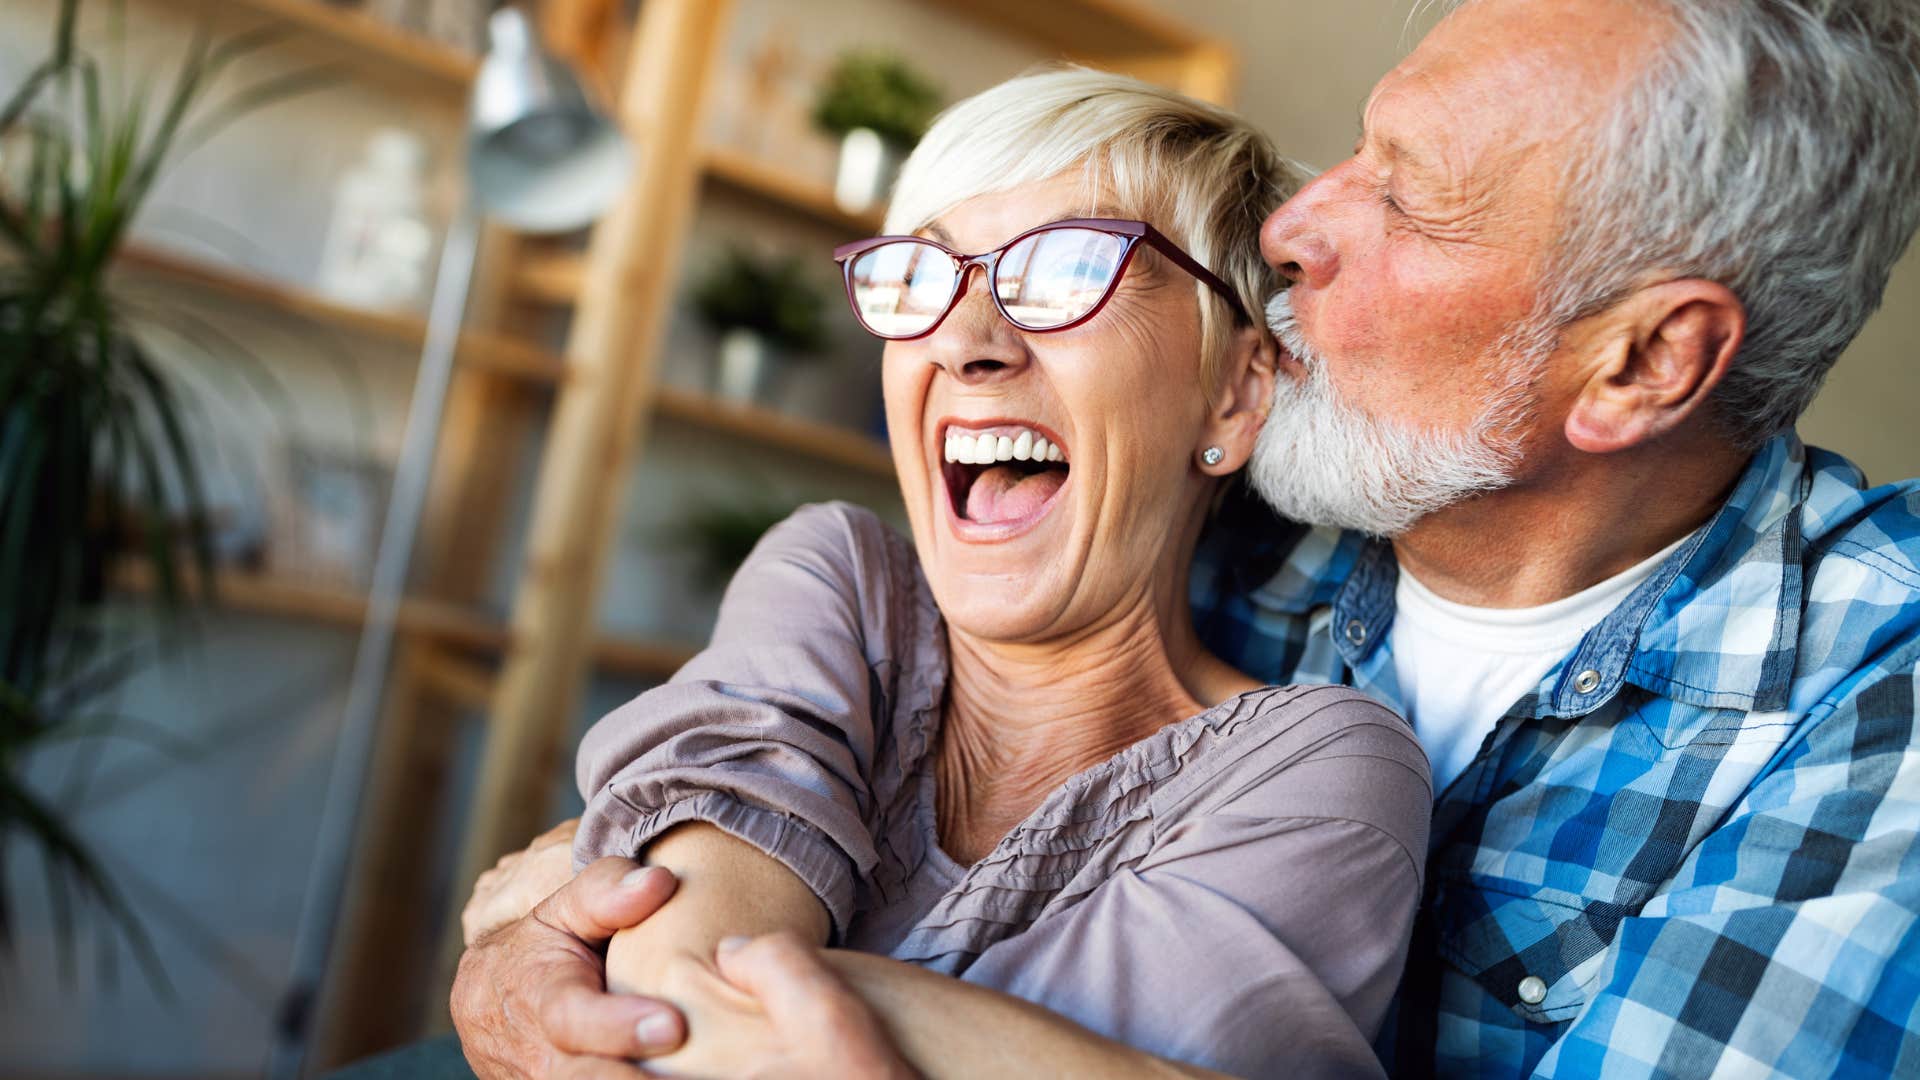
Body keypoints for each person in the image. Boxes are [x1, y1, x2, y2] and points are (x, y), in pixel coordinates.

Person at [446, 0, 1920, 1075]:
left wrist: (649, 946)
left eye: (1408, 199)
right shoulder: (1261, 505)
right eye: (1355, 148)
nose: (1295, 228)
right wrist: (557, 918)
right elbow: (719, 813)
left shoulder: (1881, 706)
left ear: (1641, 367)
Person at [453, 68, 1429, 1079]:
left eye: (1064, 270)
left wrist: (606, 899)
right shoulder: (839, 579)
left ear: (1235, 391)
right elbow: (674, 994)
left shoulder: (1319, 771)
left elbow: (671, 989)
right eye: (921, 278)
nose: (963, 342)